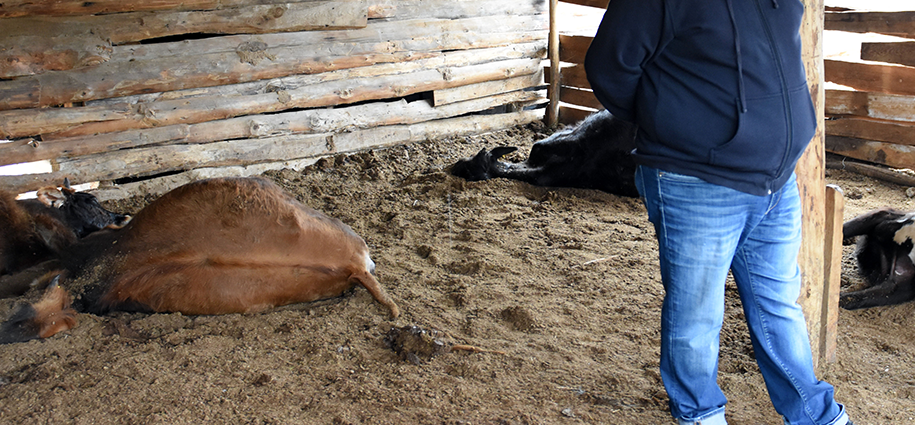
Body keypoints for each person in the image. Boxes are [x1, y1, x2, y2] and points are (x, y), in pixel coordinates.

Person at [584, 1, 852, 425]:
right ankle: (700, 414)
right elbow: (608, 66)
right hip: (697, 182)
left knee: (778, 304)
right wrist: (676, 120)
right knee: (697, 315)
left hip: (776, 181)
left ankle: (814, 414)